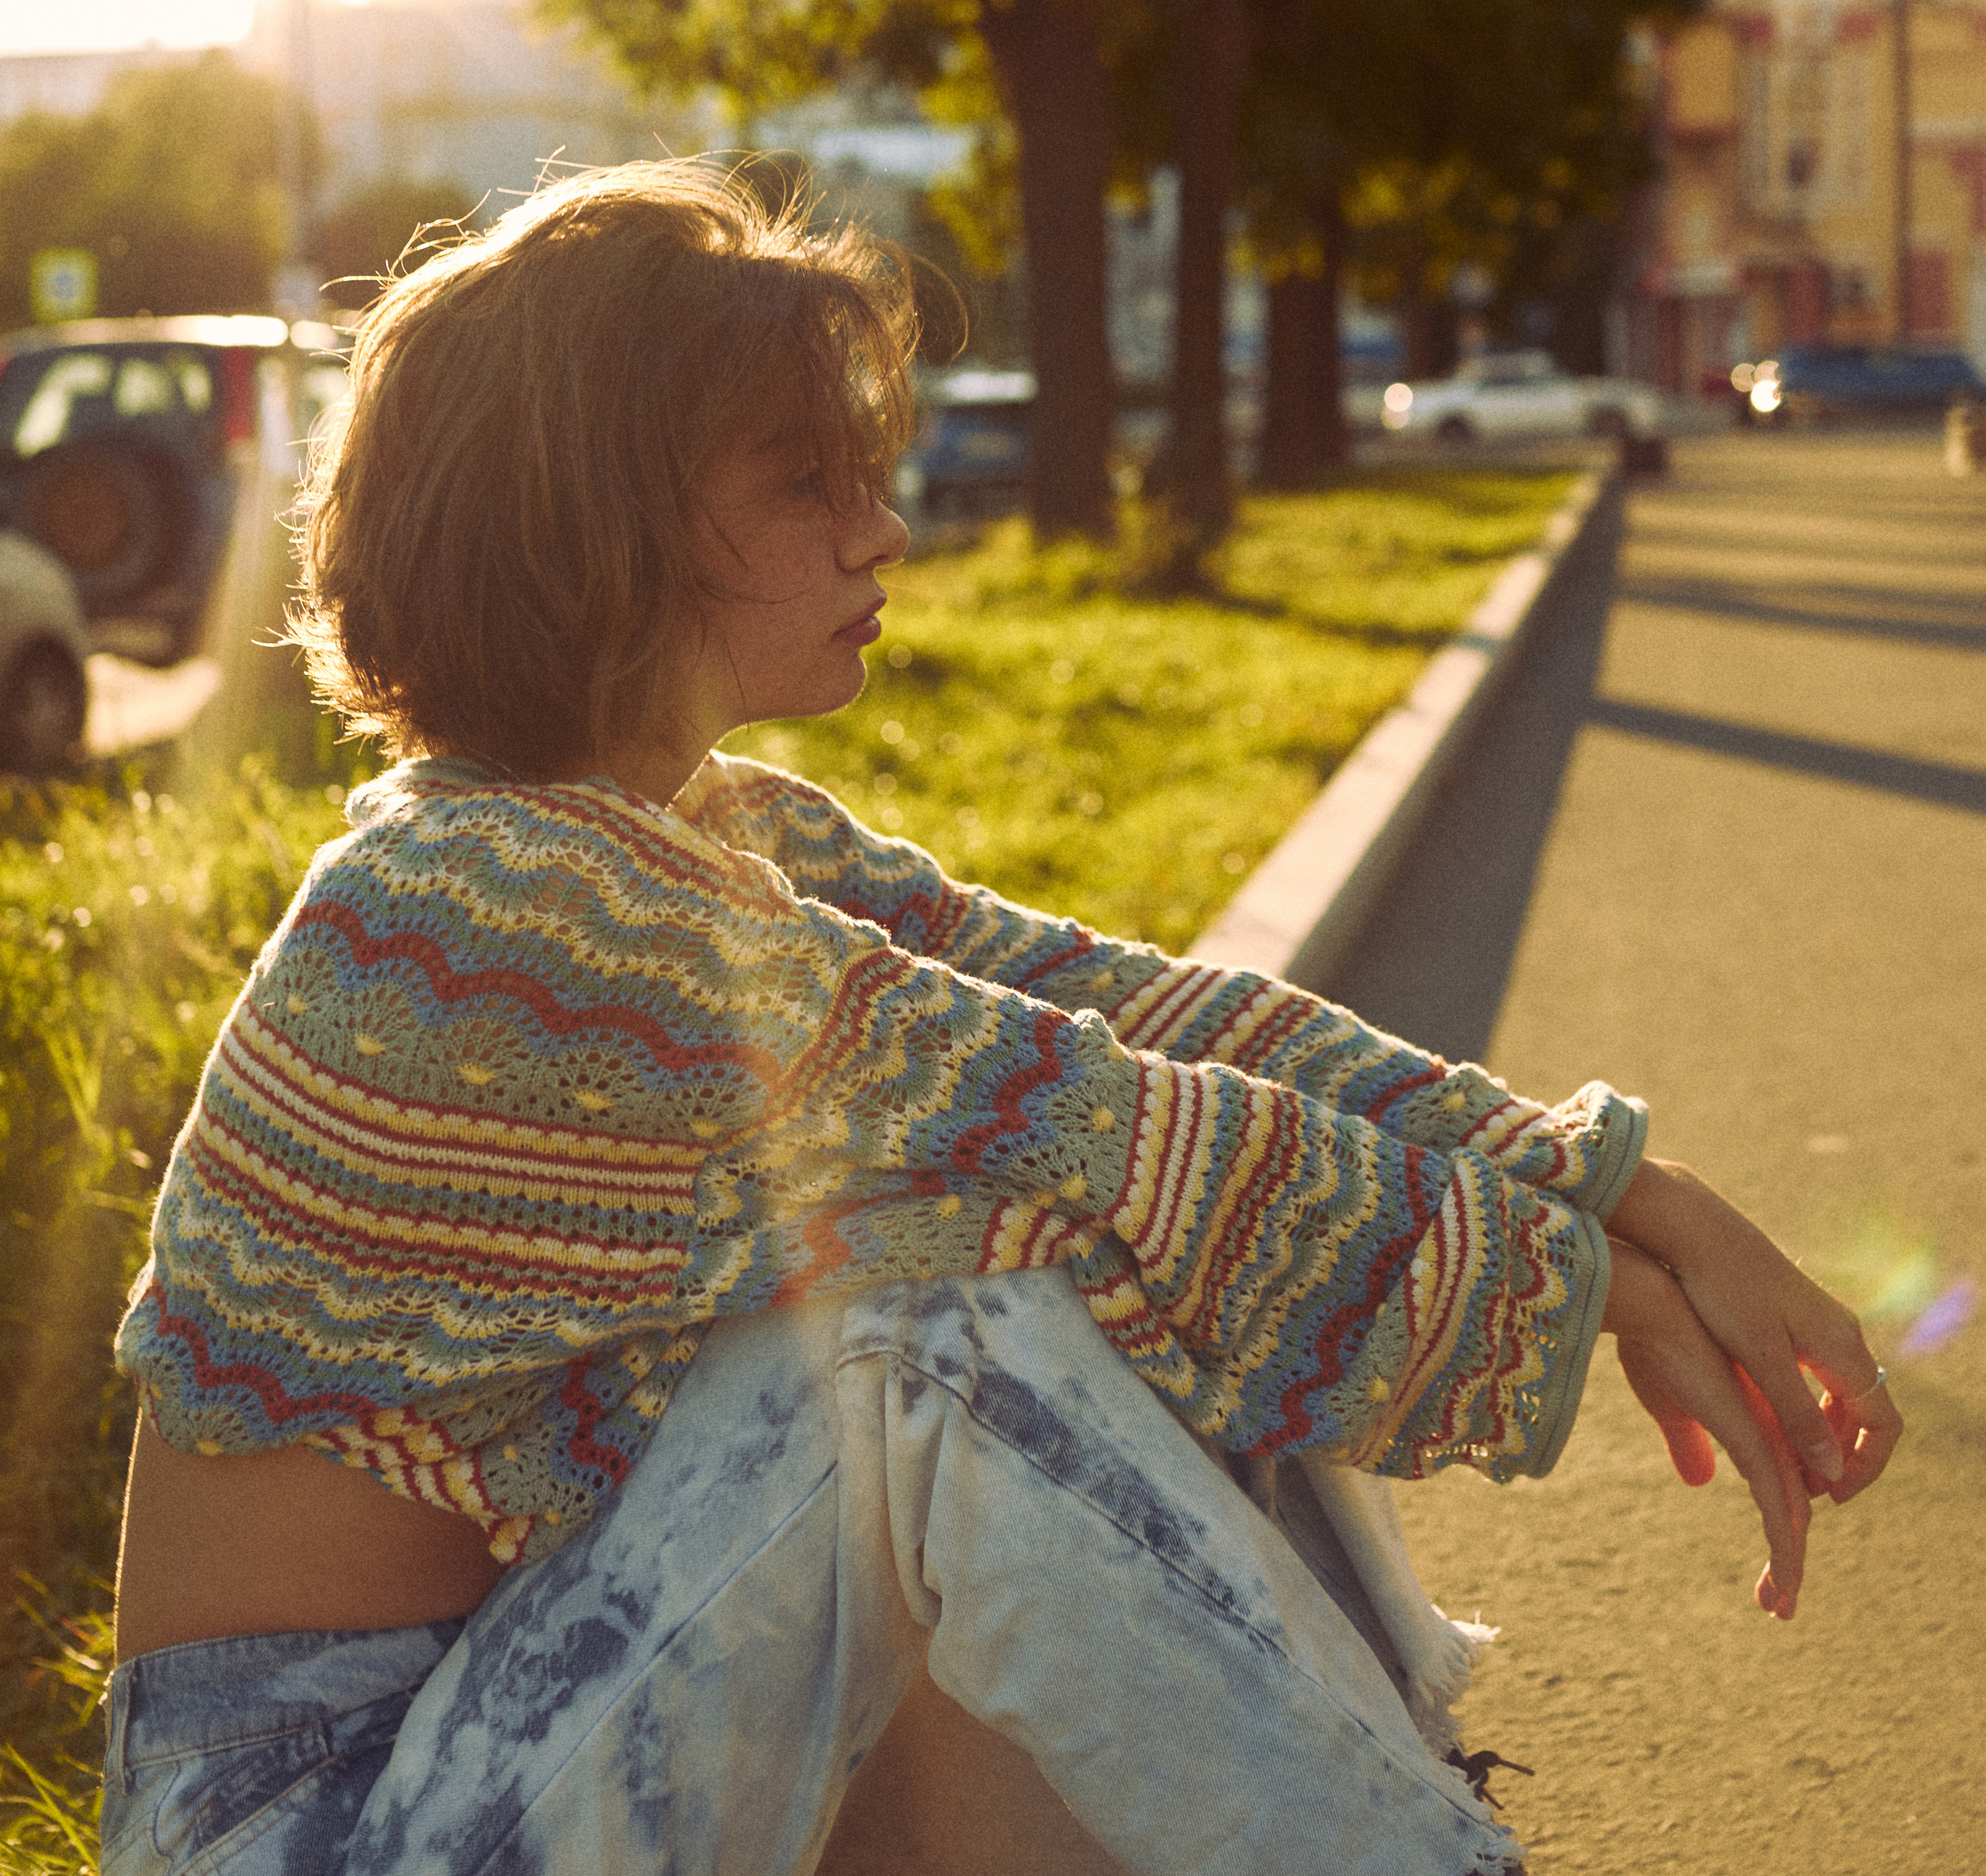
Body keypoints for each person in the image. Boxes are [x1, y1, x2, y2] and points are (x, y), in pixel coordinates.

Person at [103, 163, 1899, 1876]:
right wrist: (1582, 1285)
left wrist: (1618, 1190)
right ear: (604, 518)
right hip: (307, 1824)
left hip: (512, 1724)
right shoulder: (481, 915)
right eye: (806, 480)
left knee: (1040, 1262)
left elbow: (1134, 1023)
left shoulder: (703, 836)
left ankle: (1405, 1794)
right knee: (932, 1325)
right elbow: (1089, 1133)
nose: (881, 524)